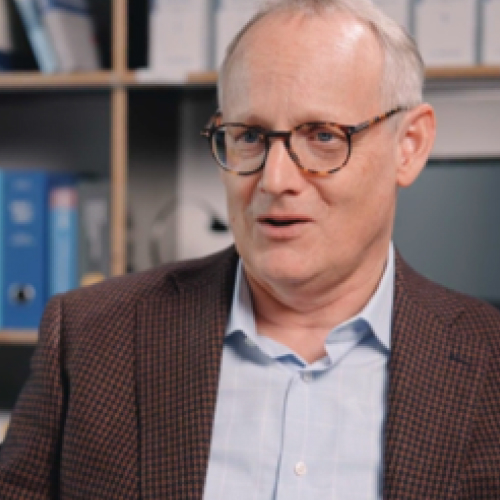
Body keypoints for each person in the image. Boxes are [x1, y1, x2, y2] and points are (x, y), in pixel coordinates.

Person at [2, 0, 500, 498]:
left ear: (409, 145)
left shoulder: (491, 363)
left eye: (323, 136)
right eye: (249, 136)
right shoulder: (91, 337)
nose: (275, 179)